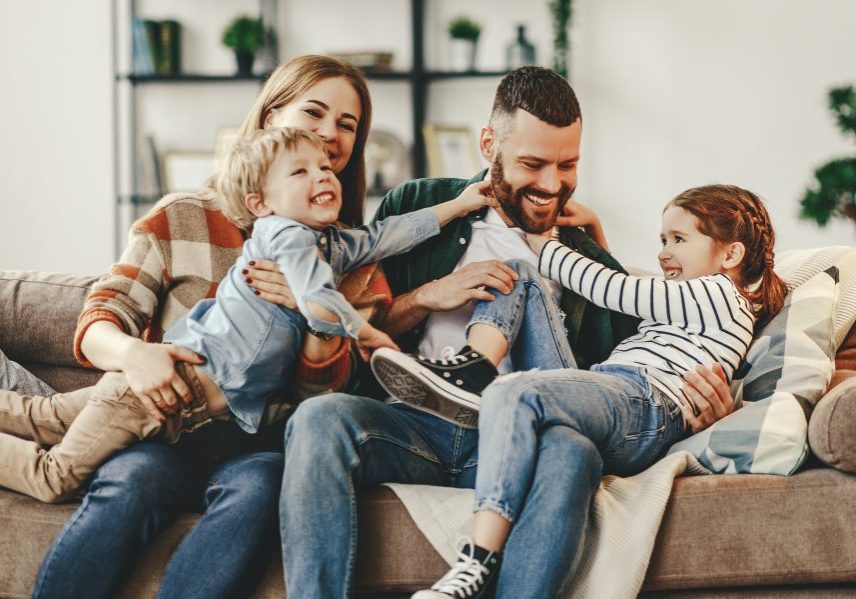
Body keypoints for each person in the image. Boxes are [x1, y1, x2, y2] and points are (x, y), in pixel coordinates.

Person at [278, 66, 737, 598]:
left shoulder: (580, 247)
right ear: (489, 144)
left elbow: (630, 373)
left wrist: (702, 407)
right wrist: (427, 296)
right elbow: (357, 328)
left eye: (568, 165)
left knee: (573, 449)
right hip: (416, 426)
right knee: (320, 418)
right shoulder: (419, 203)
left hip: (526, 438)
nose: (551, 185)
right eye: (532, 164)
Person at [24, 55, 379, 599]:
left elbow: (320, 401)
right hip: (163, 425)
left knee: (260, 488)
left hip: (257, 439)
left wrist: (316, 316)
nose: (330, 134)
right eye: (315, 112)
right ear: (269, 116)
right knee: (132, 481)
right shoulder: (183, 214)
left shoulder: (348, 255)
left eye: (347, 125)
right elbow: (102, 317)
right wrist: (133, 355)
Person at [0, 126, 495, 503]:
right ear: (261, 204)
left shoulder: (329, 242)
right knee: (54, 478)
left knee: (41, 416)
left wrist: (457, 205)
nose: (323, 175)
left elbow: (389, 233)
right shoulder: (285, 235)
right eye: (300, 172)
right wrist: (366, 333)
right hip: (156, 391)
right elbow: (316, 294)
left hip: (177, 406)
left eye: (325, 166)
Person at [373, 184, 787, 598]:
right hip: (613, 391)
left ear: (730, 255)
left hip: (645, 401)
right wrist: (593, 229)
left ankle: (476, 561)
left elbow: (616, 292)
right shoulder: (693, 304)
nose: (663, 252)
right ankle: (472, 370)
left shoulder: (719, 293)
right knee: (518, 275)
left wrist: (545, 243)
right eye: (662, 239)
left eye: (679, 239)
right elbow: (627, 304)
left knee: (514, 392)